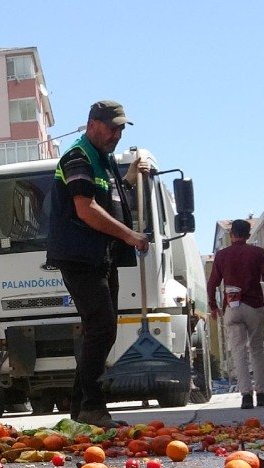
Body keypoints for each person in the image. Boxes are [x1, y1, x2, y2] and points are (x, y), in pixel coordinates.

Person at [46, 100, 151, 428]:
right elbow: (87, 209)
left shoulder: (103, 162)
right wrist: (131, 236)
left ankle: (81, 409)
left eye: (121, 128)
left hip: (100, 257)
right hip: (79, 255)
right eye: (112, 127)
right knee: (101, 326)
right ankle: (92, 405)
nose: (117, 134)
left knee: (101, 330)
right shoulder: (78, 157)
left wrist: (130, 177)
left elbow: (111, 201)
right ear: (93, 124)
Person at [207, 218, 264, 409]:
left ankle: (246, 397)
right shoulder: (256, 253)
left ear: (231, 235)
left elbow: (212, 283)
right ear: (248, 236)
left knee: (239, 351)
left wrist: (213, 306)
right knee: (256, 350)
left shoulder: (222, 255)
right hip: (254, 306)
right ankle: (262, 395)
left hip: (232, 308)